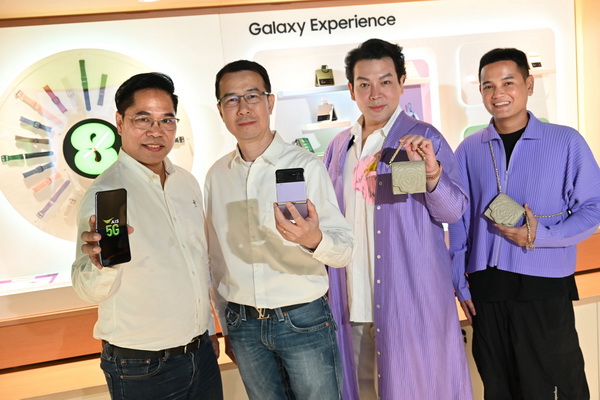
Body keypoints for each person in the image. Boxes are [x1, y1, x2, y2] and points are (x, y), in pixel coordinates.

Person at [323, 38, 473, 399]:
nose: (375, 94)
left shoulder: (423, 138)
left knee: (416, 389)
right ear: (351, 90)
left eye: (385, 81)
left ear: (402, 82)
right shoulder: (339, 146)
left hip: (409, 299)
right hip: (352, 300)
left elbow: (453, 211)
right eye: (364, 84)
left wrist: (433, 174)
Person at [449, 47, 600, 399]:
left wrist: (540, 236)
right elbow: (458, 218)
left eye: (508, 82)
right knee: (499, 386)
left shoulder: (565, 141)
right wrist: (459, 281)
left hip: (544, 285)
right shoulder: (469, 149)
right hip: (487, 288)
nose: (497, 93)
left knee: (557, 383)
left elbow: (593, 209)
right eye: (488, 86)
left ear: (529, 84)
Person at [205, 59, 354, 400]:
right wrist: (227, 325)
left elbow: (345, 249)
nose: (243, 108)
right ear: (220, 110)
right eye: (232, 99)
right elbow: (216, 259)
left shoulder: (306, 166)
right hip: (243, 325)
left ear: (270, 102)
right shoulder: (217, 175)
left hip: (303, 318)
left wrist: (313, 239)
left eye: (252, 96)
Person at [71, 72, 223, 400]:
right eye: (143, 119)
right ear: (119, 122)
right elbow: (86, 289)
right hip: (142, 365)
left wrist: (208, 329)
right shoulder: (107, 192)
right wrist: (101, 265)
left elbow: (198, 264)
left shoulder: (186, 183)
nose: (156, 131)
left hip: (200, 352)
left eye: (166, 120)